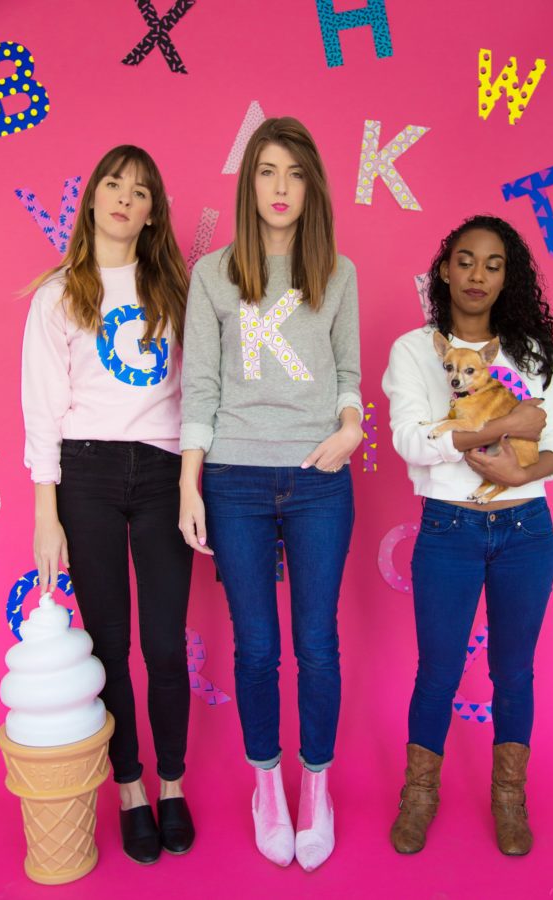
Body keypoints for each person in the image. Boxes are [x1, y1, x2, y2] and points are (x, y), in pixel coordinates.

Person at [179, 117, 362, 871]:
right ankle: (266, 784)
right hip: (234, 479)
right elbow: (200, 388)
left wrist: (352, 427)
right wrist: (190, 483)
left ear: (311, 184)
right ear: (248, 181)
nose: (280, 187)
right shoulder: (213, 275)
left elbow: (349, 376)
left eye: (293, 172)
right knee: (257, 646)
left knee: (316, 643)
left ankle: (315, 785)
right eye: (266, 171)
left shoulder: (339, 272)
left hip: (320, 477)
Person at [22, 146, 195, 865]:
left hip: (161, 472)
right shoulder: (59, 295)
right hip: (86, 475)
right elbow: (43, 410)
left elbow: (197, 395)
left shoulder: (176, 292)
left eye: (141, 190)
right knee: (109, 647)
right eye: (114, 185)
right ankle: (129, 788)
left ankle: (173, 785)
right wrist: (45, 512)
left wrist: (194, 481)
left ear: (153, 212)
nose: (126, 197)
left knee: (163, 645)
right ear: (92, 198)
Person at [382, 215, 553, 856]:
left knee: (513, 672)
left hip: (526, 527)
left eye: (493, 265)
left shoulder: (531, 353)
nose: (477, 275)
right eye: (465, 261)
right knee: (437, 671)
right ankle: (419, 796)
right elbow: (411, 439)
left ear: (507, 276)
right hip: (449, 527)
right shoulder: (415, 351)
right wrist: (499, 427)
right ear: (445, 269)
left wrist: (522, 464)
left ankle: (509, 799)